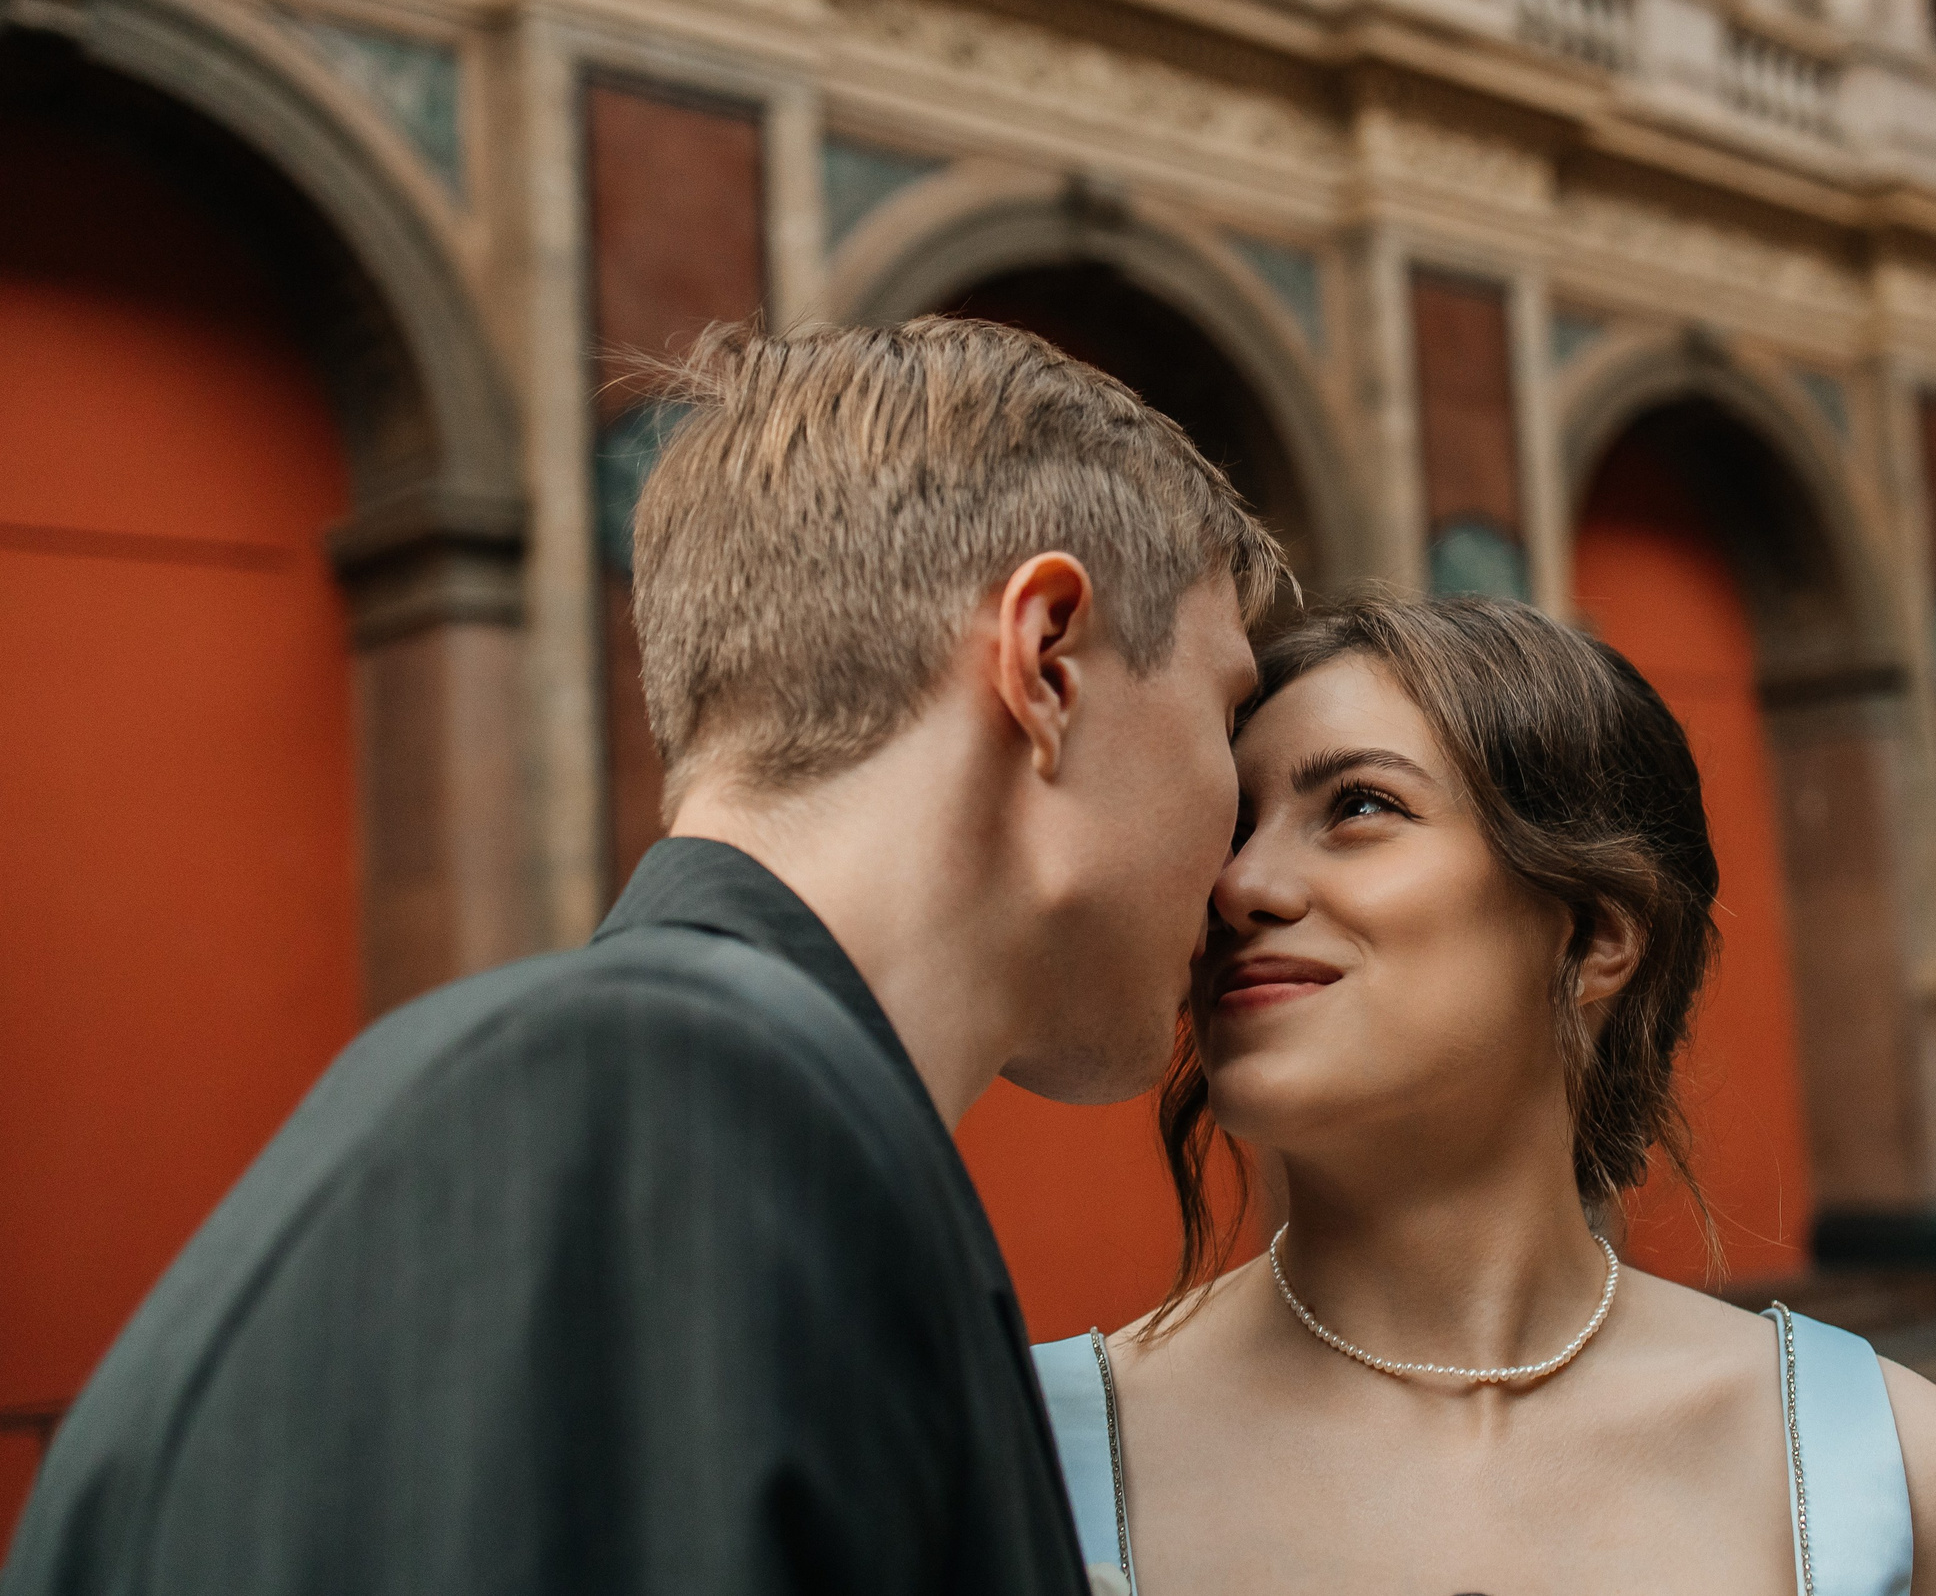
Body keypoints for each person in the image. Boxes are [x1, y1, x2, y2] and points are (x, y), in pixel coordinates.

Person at [2, 318, 1285, 1596]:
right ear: (1046, 659)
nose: (1240, 854)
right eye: (1227, 713)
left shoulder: (638, 1098)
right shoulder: (674, 1103)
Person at [1032, 595, 1936, 1596]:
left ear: (1595, 933)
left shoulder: (1882, 1469)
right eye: (1231, 824)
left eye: (1359, 805)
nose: (1239, 882)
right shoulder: (1034, 1452)